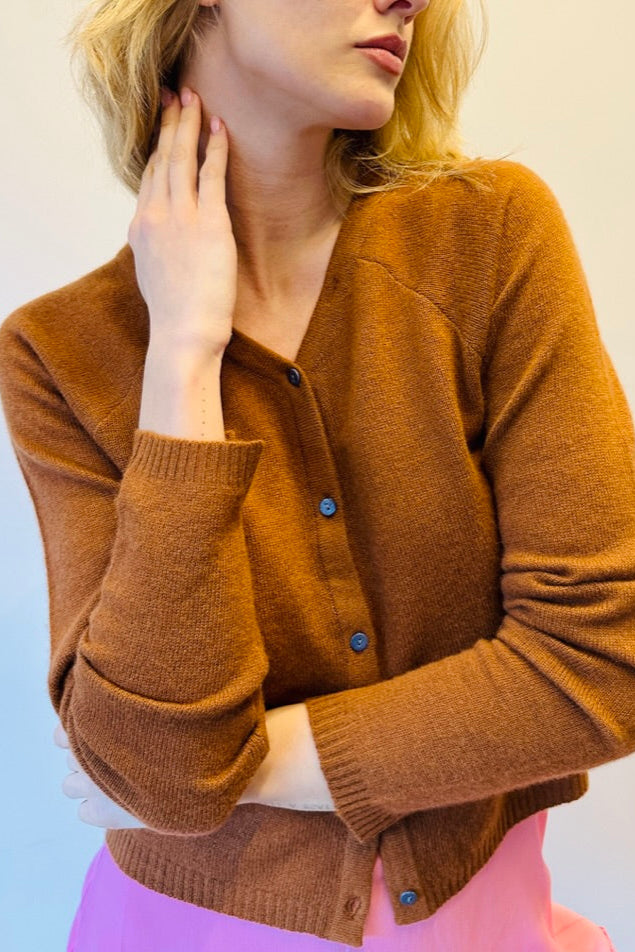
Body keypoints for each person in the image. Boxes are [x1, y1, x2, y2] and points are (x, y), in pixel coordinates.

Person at [0, 0, 632, 947]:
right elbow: (156, 775)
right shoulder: (61, 352)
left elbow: (601, 665)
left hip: (477, 924)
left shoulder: (489, 234)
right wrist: (182, 351)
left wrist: (243, 765)